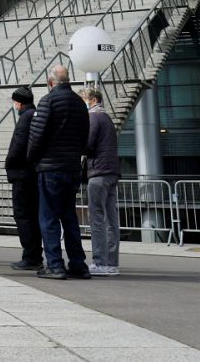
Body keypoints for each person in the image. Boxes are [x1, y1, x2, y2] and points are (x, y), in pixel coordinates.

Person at [26, 64, 90, 280]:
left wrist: (32, 159)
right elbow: (84, 137)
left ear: (51, 82)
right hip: (71, 167)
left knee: (48, 217)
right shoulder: (80, 103)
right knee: (69, 216)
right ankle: (78, 264)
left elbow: (36, 135)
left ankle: (54, 264)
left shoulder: (48, 101)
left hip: (50, 168)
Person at [82, 86, 122, 277]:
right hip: (112, 171)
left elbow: (88, 144)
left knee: (97, 217)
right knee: (111, 219)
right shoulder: (107, 118)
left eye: (84, 100)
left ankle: (100, 261)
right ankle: (112, 263)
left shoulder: (93, 117)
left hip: (98, 171)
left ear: (93, 100)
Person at [3, 85, 42, 272]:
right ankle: (35, 254)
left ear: (18, 102)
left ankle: (30, 256)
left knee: (24, 216)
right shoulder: (36, 115)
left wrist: (8, 164)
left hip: (22, 175)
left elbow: (18, 145)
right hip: (34, 174)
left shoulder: (25, 118)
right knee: (34, 215)